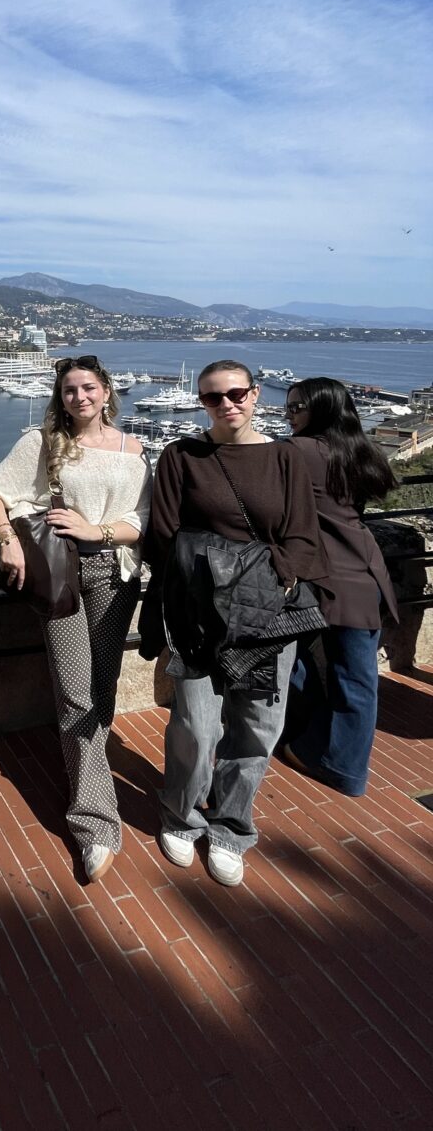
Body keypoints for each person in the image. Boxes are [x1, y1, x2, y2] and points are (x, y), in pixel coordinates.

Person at [143, 361, 326, 888]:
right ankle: (181, 814)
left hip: (267, 613)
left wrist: (273, 580)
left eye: (236, 393)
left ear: (255, 394)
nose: (227, 404)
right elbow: (164, 536)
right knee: (197, 727)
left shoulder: (285, 458)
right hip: (198, 614)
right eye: (213, 397)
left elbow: (303, 536)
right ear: (201, 402)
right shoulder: (182, 456)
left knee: (258, 727)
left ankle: (231, 826)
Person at [0, 355, 151, 883]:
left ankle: (89, 780)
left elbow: (141, 521)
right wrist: (8, 540)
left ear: (106, 391)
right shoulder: (43, 442)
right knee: (76, 692)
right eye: (69, 390)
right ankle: (94, 822)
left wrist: (95, 530)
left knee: (101, 689)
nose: (79, 397)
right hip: (62, 573)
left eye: (88, 387)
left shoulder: (133, 450)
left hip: (116, 575)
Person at [281, 378, 398, 796]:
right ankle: (336, 759)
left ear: (323, 409)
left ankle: (329, 757)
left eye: (297, 407)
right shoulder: (361, 450)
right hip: (366, 574)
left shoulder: (296, 451)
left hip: (322, 577)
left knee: (292, 661)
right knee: (357, 679)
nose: (289, 414)